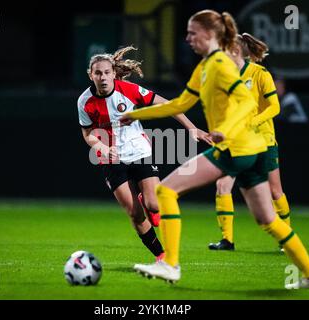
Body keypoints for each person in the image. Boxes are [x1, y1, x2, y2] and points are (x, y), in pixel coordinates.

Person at [120, 10, 309, 289]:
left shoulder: (219, 64)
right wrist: (137, 115)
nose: (188, 38)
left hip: (236, 148)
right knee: (267, 219)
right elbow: (180, 103)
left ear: (209, 34)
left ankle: (170, 265)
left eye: (193, 33)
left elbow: (246, 103)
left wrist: (225, 130)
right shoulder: (206, 66)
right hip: (251, 150)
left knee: (165, 191)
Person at [78, 46, 210, 264]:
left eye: (107, 72)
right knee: (135, 214)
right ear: (91, 75)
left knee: (154, 205)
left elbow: (168, 105)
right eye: (98, 73)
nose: (102, 77)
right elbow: (88, 134)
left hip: (139, 151)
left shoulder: (129, 90)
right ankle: (161, 255)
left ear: (113, 73)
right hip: (111, 158)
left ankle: (146, 199)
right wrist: (101, 147)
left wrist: (192, 128)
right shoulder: (84, 102)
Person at [208, 33, 291, 251]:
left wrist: (252, 122)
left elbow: (275, 107)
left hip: (263, 139)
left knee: (275, 192)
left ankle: (286, 239)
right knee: (222, 185)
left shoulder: (259, 73)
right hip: (236, 140)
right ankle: (227, 240)